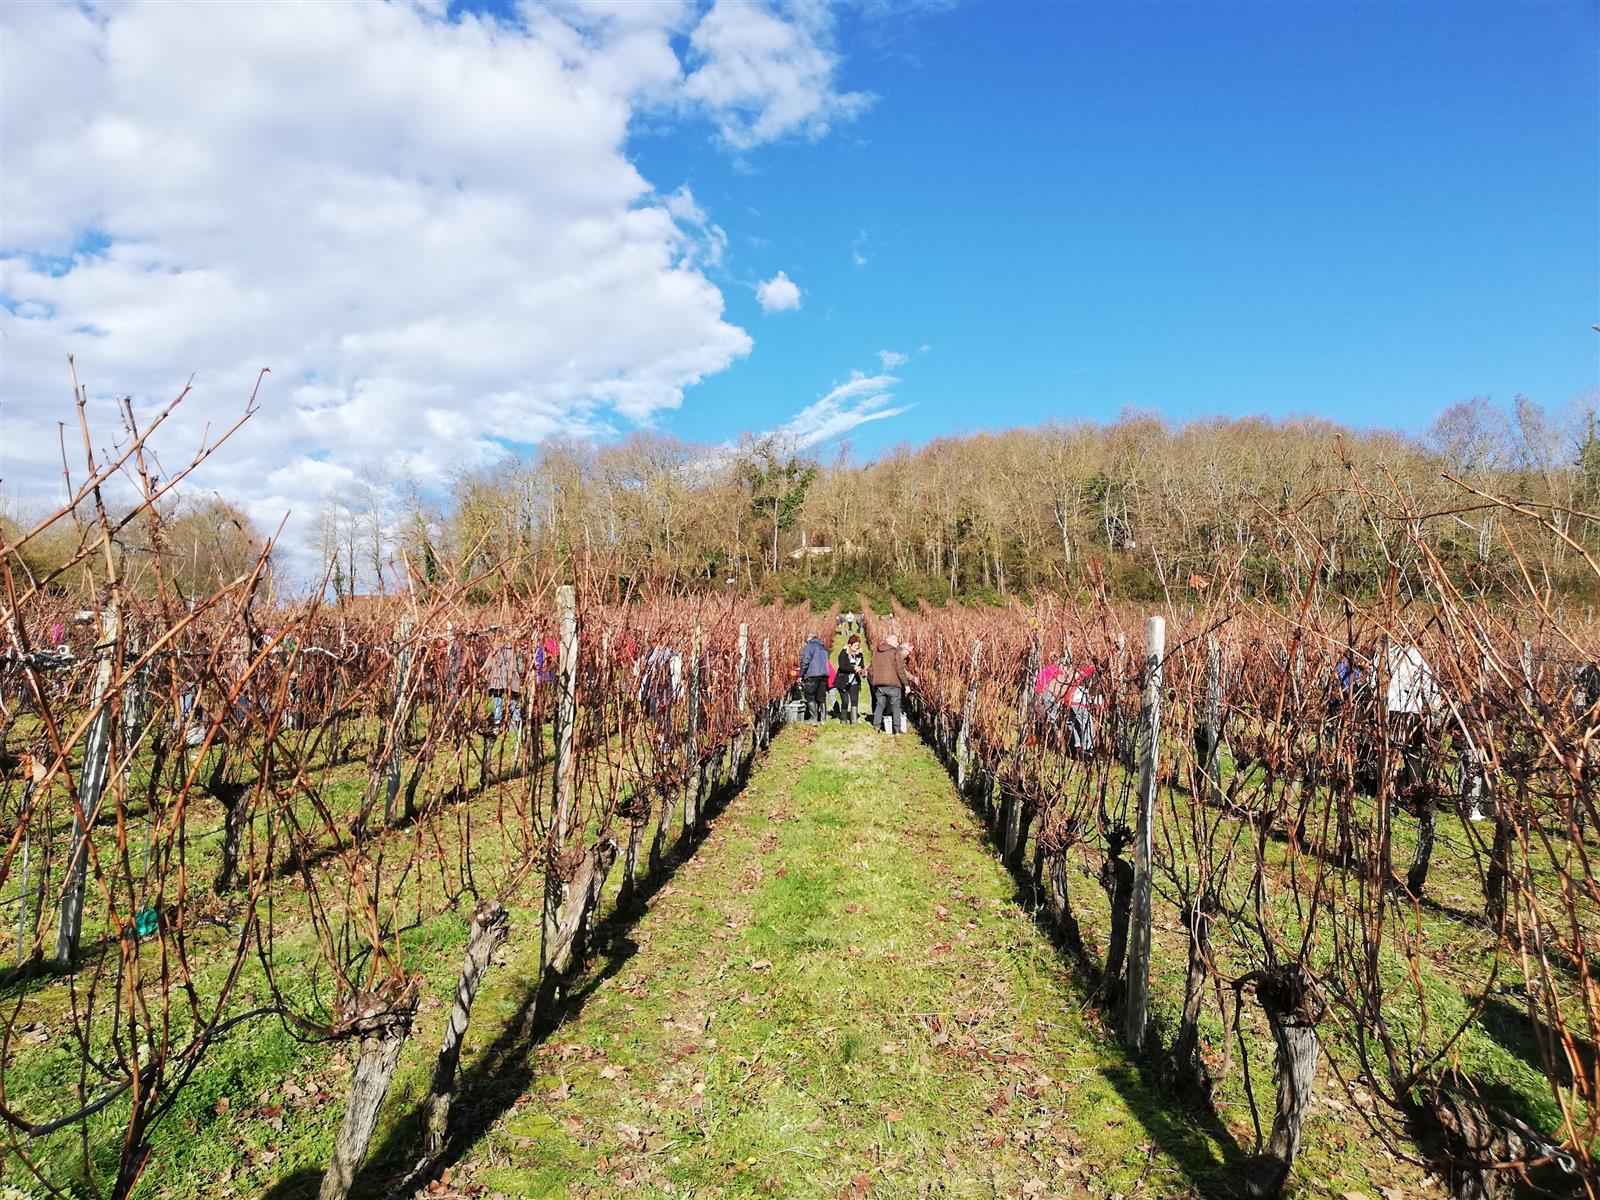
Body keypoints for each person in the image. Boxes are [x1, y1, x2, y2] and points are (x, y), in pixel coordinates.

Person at [869, 632, 909, 734]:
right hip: (893, 684)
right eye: (896, 641)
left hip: (879, 684)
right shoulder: (895, 652)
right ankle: (897, 729)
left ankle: (876, 726)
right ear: (890, 641)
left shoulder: (876, 652)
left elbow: (871, 669)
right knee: (896, 707)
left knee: (880, 705)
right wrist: (906, 684)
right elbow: (900, 670)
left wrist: (874, 681)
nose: (898, 643)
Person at [799, 632, 831, 723]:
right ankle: (823, 720)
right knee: (821, 696)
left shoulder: (809, 646)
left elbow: (805, 661)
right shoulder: (823, 647)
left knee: (809, 694)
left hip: (813, 674)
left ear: (809, 639)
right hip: (824, 674)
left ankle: (813, 718)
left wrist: (801, 675)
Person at [836, 635, 865, 723]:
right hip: (843, 680)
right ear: (850, 645)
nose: (857, 647)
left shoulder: (860, 655)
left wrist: (862, 672)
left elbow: (862, 666)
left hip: (855, 681)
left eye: (858, 645)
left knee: (854, 700)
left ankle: (854, 721)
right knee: (845, 701)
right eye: (855, 645)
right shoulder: (843, 653)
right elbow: (842, 667)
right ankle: (843, 719)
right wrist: (854, 669)